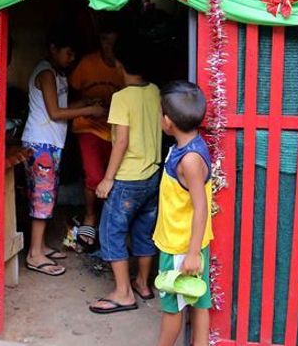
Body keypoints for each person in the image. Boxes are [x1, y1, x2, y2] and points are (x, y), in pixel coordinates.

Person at [21, 27, 105, 277]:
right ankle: (34, 255)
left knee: (47, 197)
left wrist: (86, 103)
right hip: (40, 144)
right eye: (67, 53)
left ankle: (41, 246)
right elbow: (56, 113)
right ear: (53, 49)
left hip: (50, 143)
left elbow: (63, 107)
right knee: (42, 199)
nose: (71, 58)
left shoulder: (57, 74)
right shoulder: (46, 72)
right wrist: (88, 112)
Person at [90, 36, 162, 314]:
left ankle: (123, 293)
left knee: (111, 231)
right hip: (152, 176)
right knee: (144, 230)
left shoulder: (121, 98)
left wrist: (108, 178)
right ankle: (143, 284)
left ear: (118, 63)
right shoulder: (155, 90)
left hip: (129, 178)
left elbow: (120, 141)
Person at [153, 81, 213, 346]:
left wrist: (190, 253)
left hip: (180, 245)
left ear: (168, 122)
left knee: (173, 306)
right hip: (190, 242)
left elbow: (200, 207)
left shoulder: (188, 160)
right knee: (198, 300)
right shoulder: (190, 147)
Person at [68, 17, 125, 250]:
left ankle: (107, 221)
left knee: (115, 177)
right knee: (93, 175)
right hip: (88, 126)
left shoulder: (125, 68)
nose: (107, 48)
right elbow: (69, 96)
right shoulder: (87, 64)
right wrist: (88, 104)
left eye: (112, 43)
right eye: (104, 42)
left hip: (116, 130)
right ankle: (90, 216)